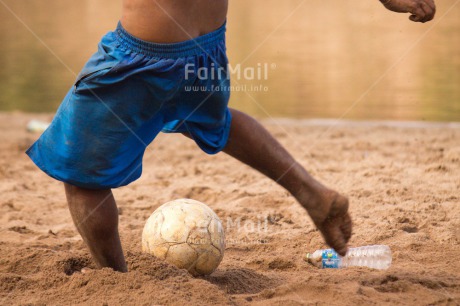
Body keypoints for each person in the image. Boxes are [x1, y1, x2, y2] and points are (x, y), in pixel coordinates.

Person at [26, 0, 436, 273]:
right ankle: (310, 191)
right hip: (204, 48)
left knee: (82, 176)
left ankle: (115, 280)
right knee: (213, 120)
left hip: (142, 56)